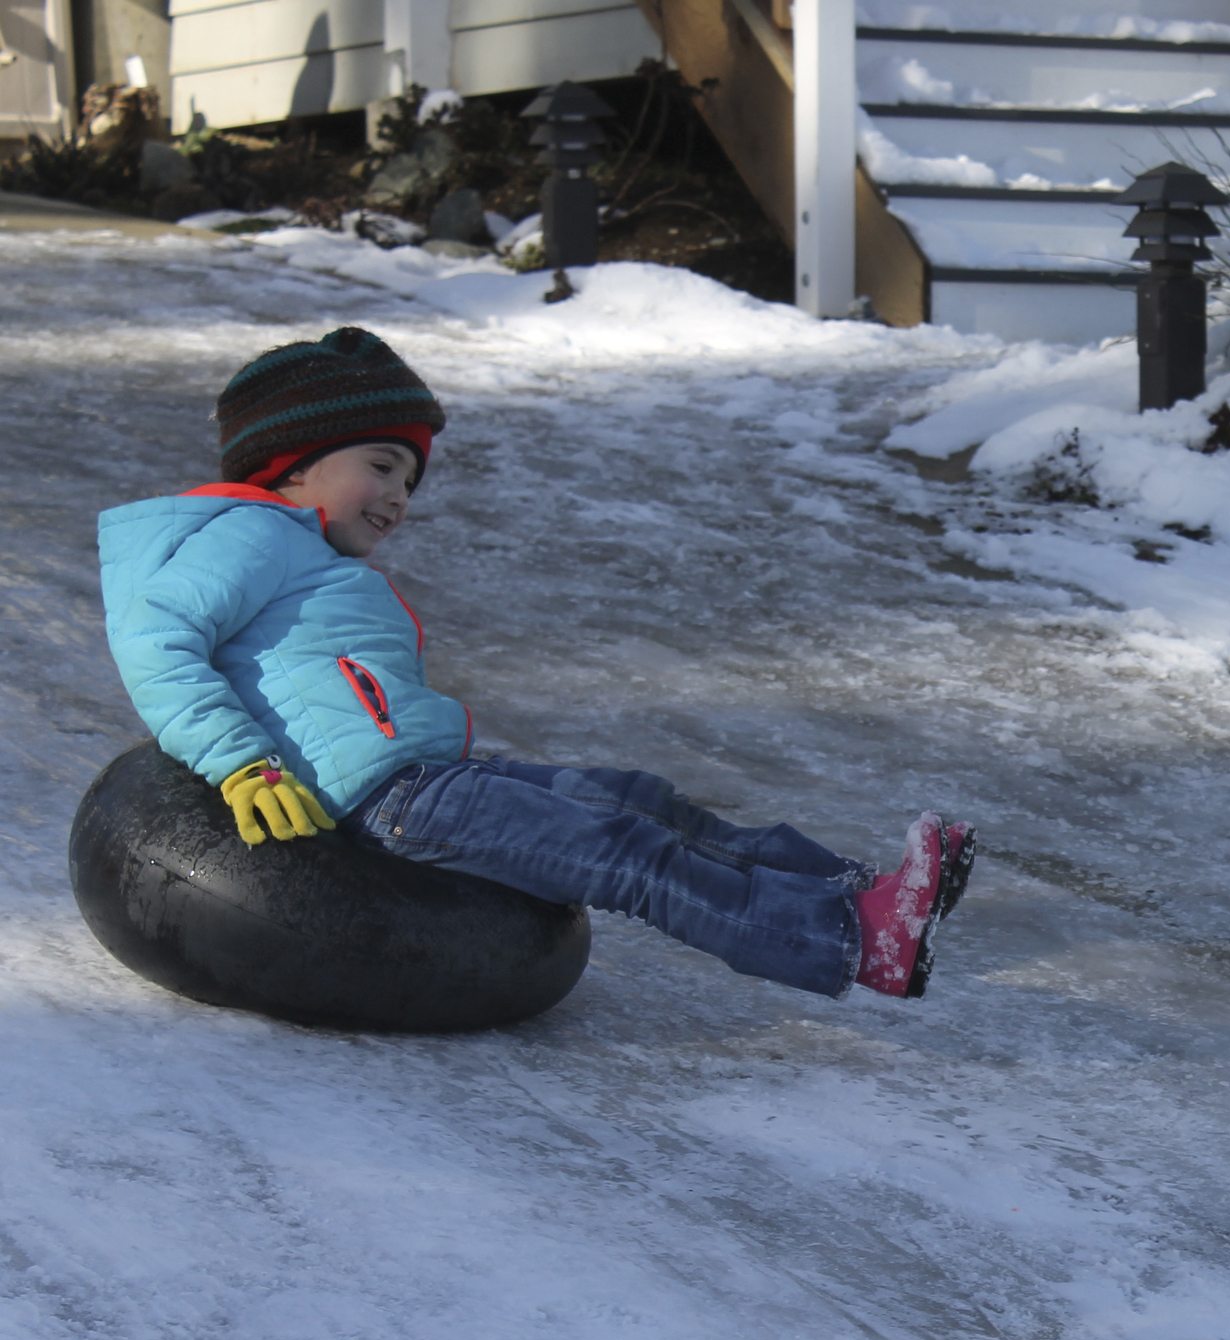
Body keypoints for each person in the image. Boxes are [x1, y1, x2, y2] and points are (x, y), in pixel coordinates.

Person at [96, 325, 974, 1000]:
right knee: (622, 852)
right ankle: (854, 942)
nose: (399, 497)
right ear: (289, 461)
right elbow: (156, 641)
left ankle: (854, 885)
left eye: (410, 480)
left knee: (638, 798)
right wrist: (239, 762)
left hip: (426, 776)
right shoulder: (251, 534)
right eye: (381, 465)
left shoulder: (303, 553)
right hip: (384, 800)